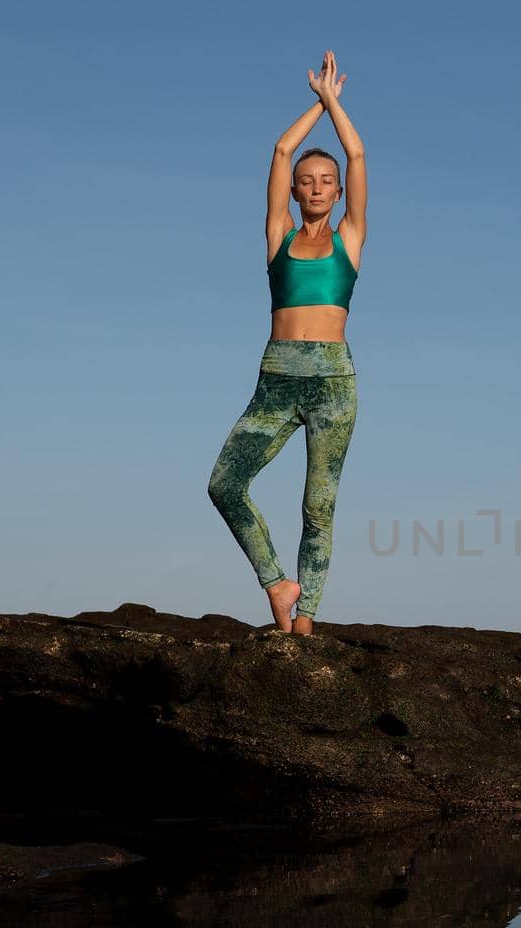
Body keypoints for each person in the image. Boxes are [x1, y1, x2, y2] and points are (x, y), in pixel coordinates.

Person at [208, 49, 367, 635]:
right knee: (224, 483)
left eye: (327, 181)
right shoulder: (278, 236)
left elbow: (355, 152)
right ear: (296, 192)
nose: (318, 187)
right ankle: (278, 582)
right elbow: (279, 150)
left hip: (333, 380)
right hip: (277, 376)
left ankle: (307, 616)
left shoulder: (350, 237)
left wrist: (335, 105)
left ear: (338, 191)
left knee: (317, 506)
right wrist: (316, 103)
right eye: (308, 181)